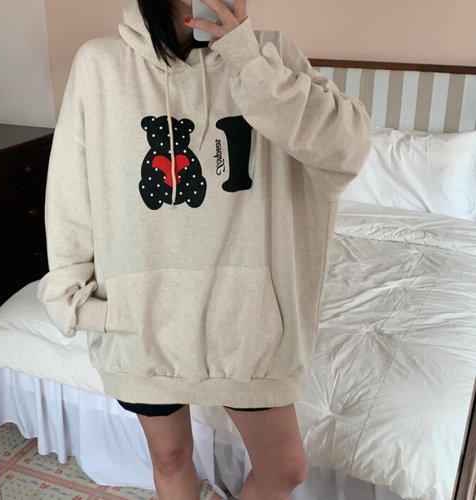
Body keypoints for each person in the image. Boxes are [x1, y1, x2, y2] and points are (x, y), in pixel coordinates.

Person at [37, 0, 372, 498]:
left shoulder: (270, 55)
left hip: (250, 325)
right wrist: (73, 295)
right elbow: (71, 191)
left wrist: (246, 60)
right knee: (169, 457)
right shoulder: (100, 64)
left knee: (285, 469)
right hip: (142, 321)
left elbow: (347, 148)